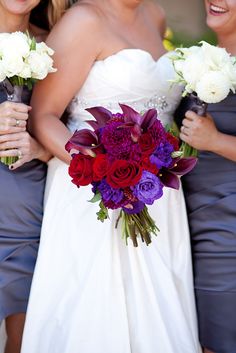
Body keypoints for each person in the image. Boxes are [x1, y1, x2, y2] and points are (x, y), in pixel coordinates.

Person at [21, 1, 201, 352]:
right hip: (94, 192)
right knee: (96, 312)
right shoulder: (83, 20)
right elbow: (44, 116)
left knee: (158, 311)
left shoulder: (156, 14)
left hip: (157, 191)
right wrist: (101, 168)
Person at [0, 1, 72, 353]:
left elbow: (67, 126)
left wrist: (39, 149)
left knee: (24, 341)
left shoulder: (54, 45)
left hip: (30, 215)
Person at [179, 1, 236, 352]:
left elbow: (206, 137)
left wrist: (215, 141)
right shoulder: (199, 58)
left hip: (229, 236)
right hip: (192, 229)